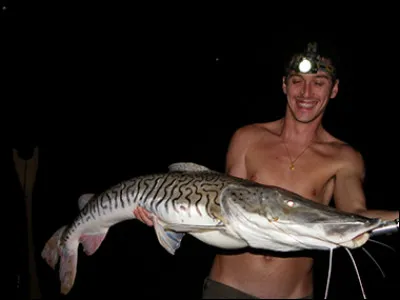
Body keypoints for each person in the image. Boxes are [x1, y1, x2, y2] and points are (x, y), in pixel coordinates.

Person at [134, 41, 399, 299]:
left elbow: (356, 216)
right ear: (284, 85)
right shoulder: (247, 138)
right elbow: (219, 209)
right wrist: (165, 215)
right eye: (297, 81)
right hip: (227, 289)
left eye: (318, 83)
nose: (306, 94)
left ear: (334, 89)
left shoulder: (345, 157)